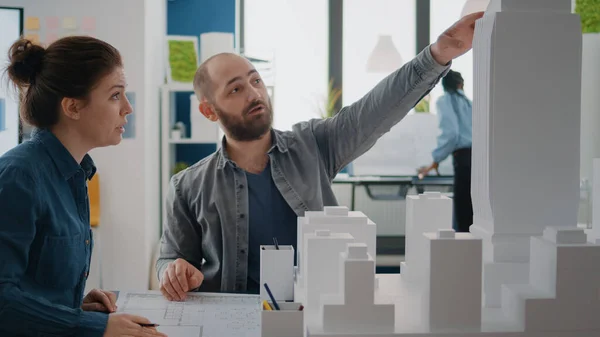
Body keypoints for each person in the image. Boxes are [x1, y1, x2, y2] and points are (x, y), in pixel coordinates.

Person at [157, 12, 484, 301]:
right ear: (209, 111)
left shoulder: (313, 144)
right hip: (229, 321)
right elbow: (170, 259)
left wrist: (438, 55)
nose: (254, 93)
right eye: (235, 89)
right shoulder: (187, 186)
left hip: (311, 313)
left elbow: (373, 110)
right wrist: (173, 272)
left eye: (255, 80)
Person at [0, 37, 166, 337]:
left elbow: (32, 288)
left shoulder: (76, 174)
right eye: (116, 96)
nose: (128, 108)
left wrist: (73, 306)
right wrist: (95, 327)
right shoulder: (18, 175)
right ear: (73, 107)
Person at [418, 70, 473, 232]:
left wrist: (435, 160)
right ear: (460, 84)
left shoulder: (444, 101)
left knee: (462, 210)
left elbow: (451, 134)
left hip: (463, 159)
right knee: (473, 209)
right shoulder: (469, 103)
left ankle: (462, 251)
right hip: (477, 159)